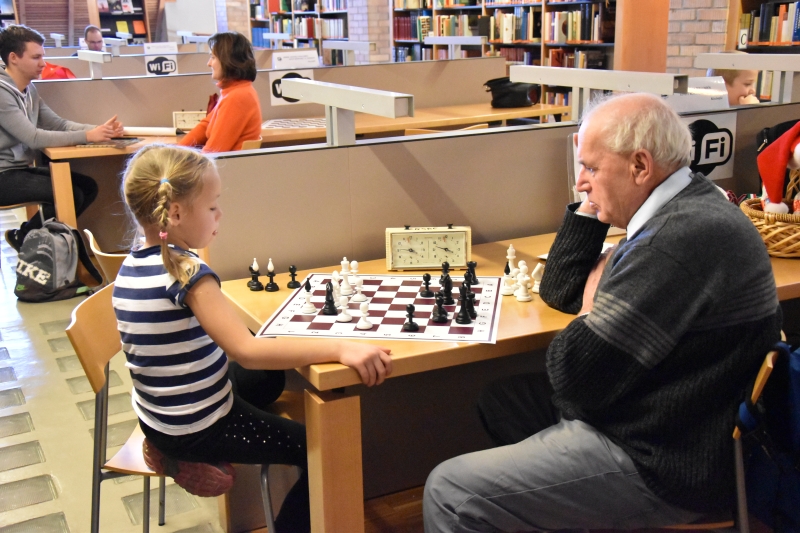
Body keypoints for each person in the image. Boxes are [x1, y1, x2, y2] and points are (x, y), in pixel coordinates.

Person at [423, 93, 783, 533]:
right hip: (660, 410)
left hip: (669, 462)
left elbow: (576, 381)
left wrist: (591, 310)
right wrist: (595, 204)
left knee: (450, 492)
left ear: (640, 166)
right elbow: (561, 289)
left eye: (591, 169)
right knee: (504, 402)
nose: (579, 183)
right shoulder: (689, 200)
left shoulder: (675, 240)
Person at [112, 144, 393, 532]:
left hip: (158, 416)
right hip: (199, 426)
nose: (220, 214)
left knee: (268, 378)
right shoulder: (188, 274)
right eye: (213, 206)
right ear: (175, 213)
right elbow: (246, 351)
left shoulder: (132, 264)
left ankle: (170, 449)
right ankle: (191, 458)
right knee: (322, 449)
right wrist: (341, 346)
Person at [0, 24, 123, 251]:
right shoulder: (2, 93)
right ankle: (33, 243)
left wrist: (101, 131)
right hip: (3, 175)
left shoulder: (29, 89)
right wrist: (88, 136)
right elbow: (33, 138)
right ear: (14, 58)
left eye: (42, 56)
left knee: (88, 187)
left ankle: (27, 238)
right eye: (36, 57)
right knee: (70, 195)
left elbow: (59, 124)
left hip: (17, 169)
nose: (43, 63)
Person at [178, 32, 262, 153]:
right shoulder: (234, 90)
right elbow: (206, 125)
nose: (209, 63)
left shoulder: (237, 97)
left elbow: (214, 151)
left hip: (227, 164)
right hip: (225, 162)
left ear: (228, 61)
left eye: (213, 58)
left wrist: (175, 155)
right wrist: (175, 151)